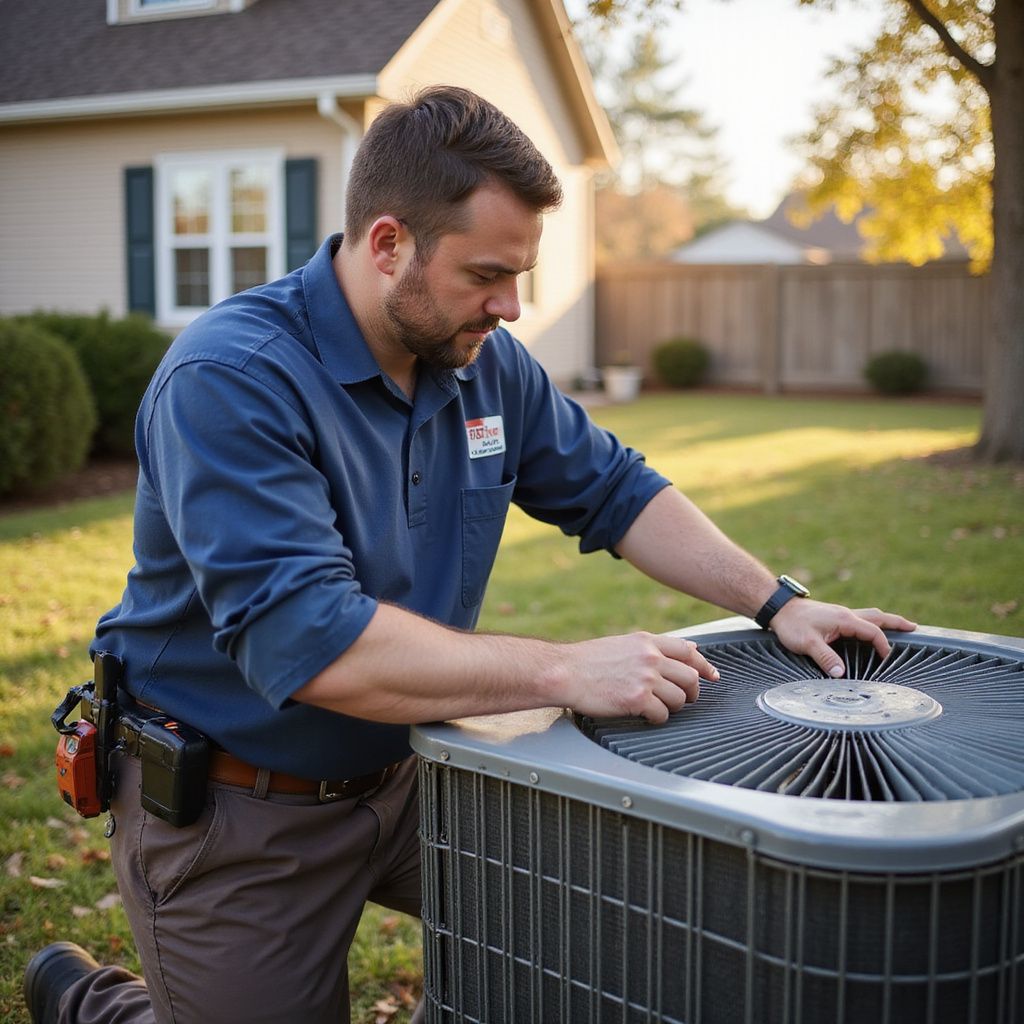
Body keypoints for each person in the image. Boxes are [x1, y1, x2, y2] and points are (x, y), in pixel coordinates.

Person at [24, 85, 915, 1024]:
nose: (514, 306)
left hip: (415, 771)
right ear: (387, 244)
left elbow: (616, 490)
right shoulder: (231, 379)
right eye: (488, 274)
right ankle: (96, 1003)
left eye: (522, 273)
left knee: (615, 924)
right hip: (239, 808)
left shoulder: (482, 359)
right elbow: (311, 641)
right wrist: (565, 668)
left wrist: (776, 601)